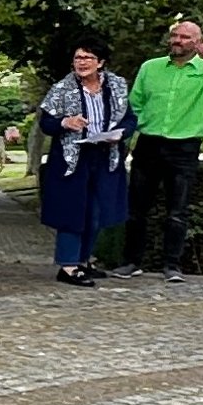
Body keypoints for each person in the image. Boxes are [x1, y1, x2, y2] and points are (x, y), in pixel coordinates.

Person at [126, 19, 203, 282]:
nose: (178, 40)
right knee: (136, 208)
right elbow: (135, 103)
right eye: (175, 35)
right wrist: (134, 130)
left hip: (184, 147)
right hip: (149, 143)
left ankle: (172, 266)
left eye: (185, 37)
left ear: (198, 42)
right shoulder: (150, 67)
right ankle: (131, 262)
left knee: (178, 210)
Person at [34, 37, 134, 287]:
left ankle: (83, 260)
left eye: (88, 58)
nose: (82, 62)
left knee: (96, 212)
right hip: (72, 158)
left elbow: (130, 119)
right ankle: (68, 266)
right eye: (78, 57)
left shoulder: (117, 86)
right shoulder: (61, 89)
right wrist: (64, 122)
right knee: (72, 211)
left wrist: (121, 133)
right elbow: (46, 123)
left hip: (105, 156)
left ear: (100, 62)